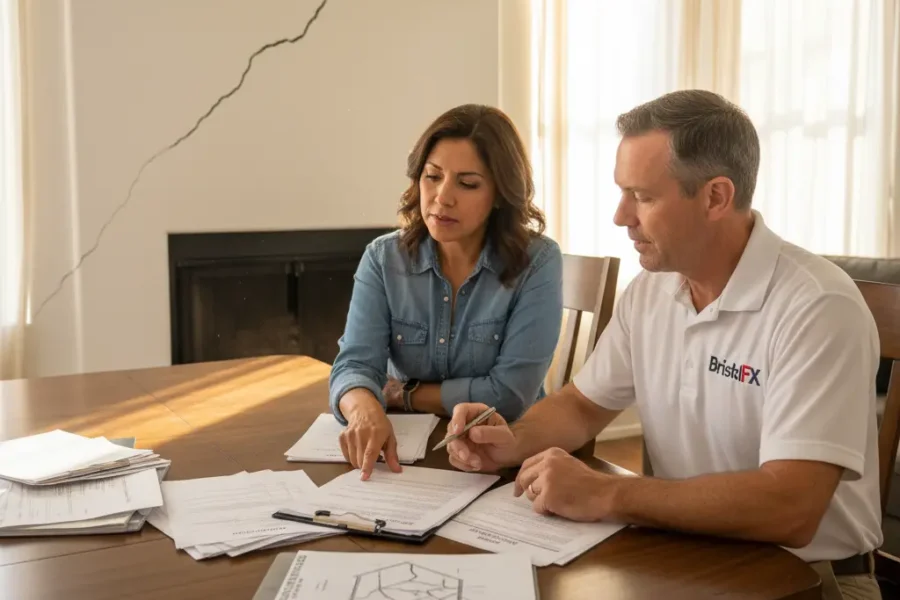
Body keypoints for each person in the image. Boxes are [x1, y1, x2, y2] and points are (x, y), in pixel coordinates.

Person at [444, 90, 883, 600]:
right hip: (685, 557)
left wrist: (608, 491)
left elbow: (791, 506)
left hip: (808, 579)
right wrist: (511, 441)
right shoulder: (652, 290)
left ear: (716, 197)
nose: (620, 215)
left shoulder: (817, 307)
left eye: (643, 196)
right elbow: (583, 406)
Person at [329, 104, 563, 481]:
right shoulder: (382, 258)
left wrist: (400, 395)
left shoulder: (538, 262)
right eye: (432, 177)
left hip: (502, 457)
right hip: (409, 458)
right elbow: (354, 366)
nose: (442, 197)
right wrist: (364, 409)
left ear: (501, 194)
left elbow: (509, 395)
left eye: (467, 183)